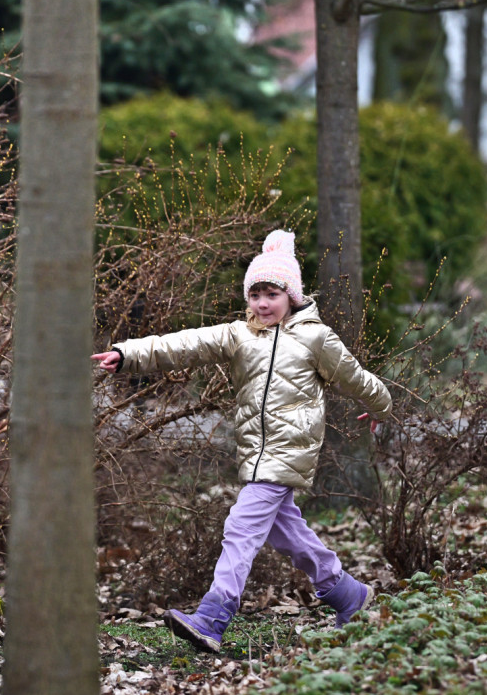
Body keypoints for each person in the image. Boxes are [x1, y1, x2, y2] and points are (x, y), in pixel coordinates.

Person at [92, 229, 392, 653]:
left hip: (288, 452)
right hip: (256, 453)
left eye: (272, 293)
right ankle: (347, 594)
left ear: (293, 296)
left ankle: (213, 617)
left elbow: (356, 377)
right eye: (255, 295)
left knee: (241, 528)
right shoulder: (239, 335)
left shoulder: (316, 338)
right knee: (284, 532)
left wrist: (382, 406)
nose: (263, 303)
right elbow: (185, 344)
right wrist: (129, 354)